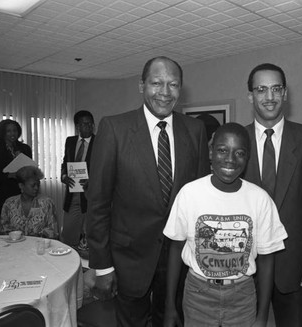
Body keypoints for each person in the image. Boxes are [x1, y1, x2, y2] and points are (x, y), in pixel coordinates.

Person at [84, 56, 211, 327]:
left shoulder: (195, 130)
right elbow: (98, 203)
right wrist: (102, 265)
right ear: (142, 86)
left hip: (179, 258)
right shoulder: (114, 128)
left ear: (181, 89)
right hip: (128, 258)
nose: (165, 92)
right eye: (156, 83)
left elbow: (201, 199)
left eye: (173, 84)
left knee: (172, 320)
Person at [163, 123, 288, 327]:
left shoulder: (260, 199)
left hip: (243, 297)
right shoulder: (189, 193)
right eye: (222, 150)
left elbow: (266, 260)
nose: (230, 159)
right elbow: (175, 248)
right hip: (197, 295)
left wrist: (263, 315)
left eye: (239, 153)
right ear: (211, 153)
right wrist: (169, 306)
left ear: (248, 158)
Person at [243, 63, 302, 327]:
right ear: (250, 95)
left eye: (276, 89)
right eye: (261, 89)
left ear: (285, 93)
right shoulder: (236, 141)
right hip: (244, 265)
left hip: (294, 266)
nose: (269, 97)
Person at [0, 119, 32, 226]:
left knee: (27, 231)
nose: (12, 133)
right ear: (2, 133)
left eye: (15, 130)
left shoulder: (25, 148)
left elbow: (31, 172)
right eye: (8, 131)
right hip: (4, 197)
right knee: (5, 233)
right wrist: (9, 175)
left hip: (25, 196)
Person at [60, 110, 96, 257]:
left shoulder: (100, 142)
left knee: (91, 236)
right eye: (84, 123)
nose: (88, 126)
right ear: (77, 126)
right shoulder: (70, 141)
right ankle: (68, 263)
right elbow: (65, 162)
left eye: (90, 123)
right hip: (73, 194)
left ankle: (88, 266)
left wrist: (92, 180)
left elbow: (104, 168)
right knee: (68, 234)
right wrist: (63, 176)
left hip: (92, 196)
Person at [0, 166, 58, 239]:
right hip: (15, 247)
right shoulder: (10, 204)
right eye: (33, 185)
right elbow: (2, 232)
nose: (36, 188)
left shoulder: (46, 203)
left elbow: (53, 232)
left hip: (40, 247)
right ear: (21, 186)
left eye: (38, 185)